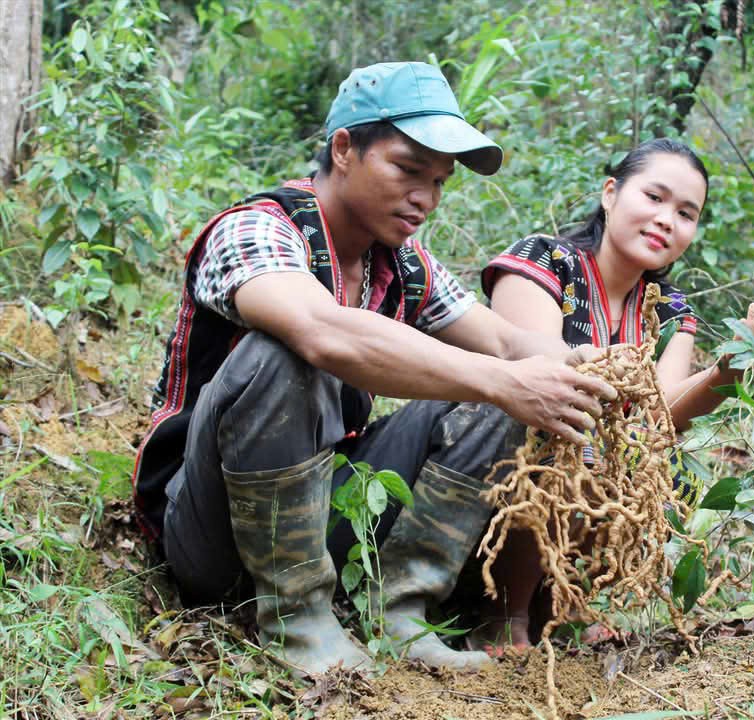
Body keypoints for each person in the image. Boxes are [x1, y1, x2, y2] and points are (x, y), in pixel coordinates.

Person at [131, 62, 616, 676]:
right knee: (282, 352)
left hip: (322, 508)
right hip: (209, 528)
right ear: (343, 149)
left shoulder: (403, 263)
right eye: (407, 170)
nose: (425, 198)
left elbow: (503, 340)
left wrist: (577, 365)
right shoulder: (257, 229)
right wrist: (503, 380)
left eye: (438, 181)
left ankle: (401, 608)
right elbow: (320, 330)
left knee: (504, 389)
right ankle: (297, 619)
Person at [470, 138, 754, 652]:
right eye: (654, 197)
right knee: (565, 429)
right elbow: (537, 371)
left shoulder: (671, 310)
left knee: (653, 459)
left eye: (686, 213)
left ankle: (565, 603)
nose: (666, 220)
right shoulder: (545, 259)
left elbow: (663, 414)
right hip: (487, 476)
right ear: (611, 193)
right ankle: (504, 612)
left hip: (585, 473)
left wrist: (729, 370)